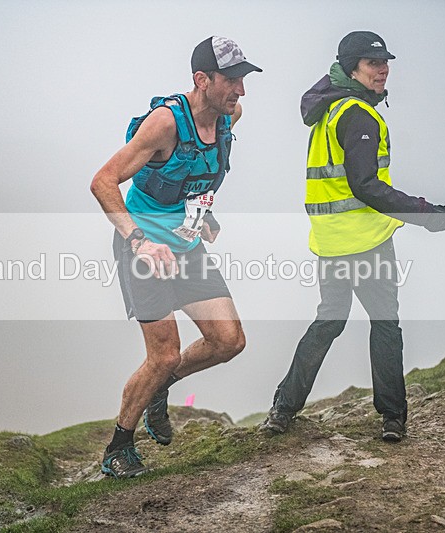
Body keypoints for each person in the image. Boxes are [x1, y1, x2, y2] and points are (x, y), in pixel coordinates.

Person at [260, 31, 445, 442]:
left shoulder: (329, 110)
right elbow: (366, 185)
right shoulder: (359, 116)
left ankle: (283, 408)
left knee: (329, 321)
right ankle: (393, 418)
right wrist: (425, 213)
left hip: (330, 242)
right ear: (352, 68)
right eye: (372, 63)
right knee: (385, 324)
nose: (382, 69)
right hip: (367, 242)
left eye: (385, 62)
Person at [90, 36, 261, 478]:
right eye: (231, 81)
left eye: (243, 80)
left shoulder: (228, 116)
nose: (240, 91)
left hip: (186, 246)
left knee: (229, 341)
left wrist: (205, 213)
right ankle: (118, 447)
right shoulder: (164, 124)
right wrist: (139, 241)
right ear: (201, 80)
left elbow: (194, 175)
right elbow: (103, 181)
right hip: (144, 250)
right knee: (163, 355)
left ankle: (161, 390)